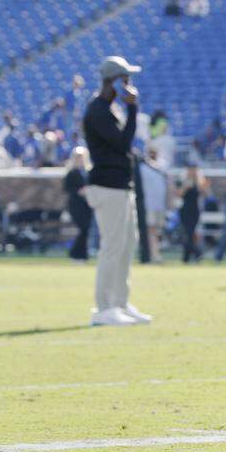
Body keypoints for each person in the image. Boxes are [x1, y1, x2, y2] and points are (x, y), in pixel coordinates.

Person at [82, 56, 151, 326]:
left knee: (125, 246)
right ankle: (103, 307)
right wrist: (133, 109)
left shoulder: (108, 109)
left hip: (120, 186)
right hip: (108, 186)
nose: (130, 84)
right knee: (111, 247)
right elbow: (122, 143)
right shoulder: (98, 111)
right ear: (115, 81)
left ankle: (120, 302)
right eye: (126, 79)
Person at [139, 147, 170, 263]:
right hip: (149, 204)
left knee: (156, 231)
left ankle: (154, 253)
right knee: (150, 230)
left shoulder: (162, 166)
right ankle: (152, 254)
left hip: (159, 205)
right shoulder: (143, 168)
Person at [64, 147, 92, 261]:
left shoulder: (88, 172)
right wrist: (78, 191)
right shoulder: (71, 172)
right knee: (83, 228)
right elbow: (67, 188)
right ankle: (75, 253)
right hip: (76, 204)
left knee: (86, 229)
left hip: (87, 204)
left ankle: (82, 254)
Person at [178, 164, 206, 263]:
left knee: (191, 233)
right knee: (188, 233)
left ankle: (187, 257)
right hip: (185, 210)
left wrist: (198, 183)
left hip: (195, 210)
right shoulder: (183, 181)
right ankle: (196, 253)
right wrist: (186, 186)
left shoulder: (200, 181)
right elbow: (179, 194)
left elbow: (204, 193)